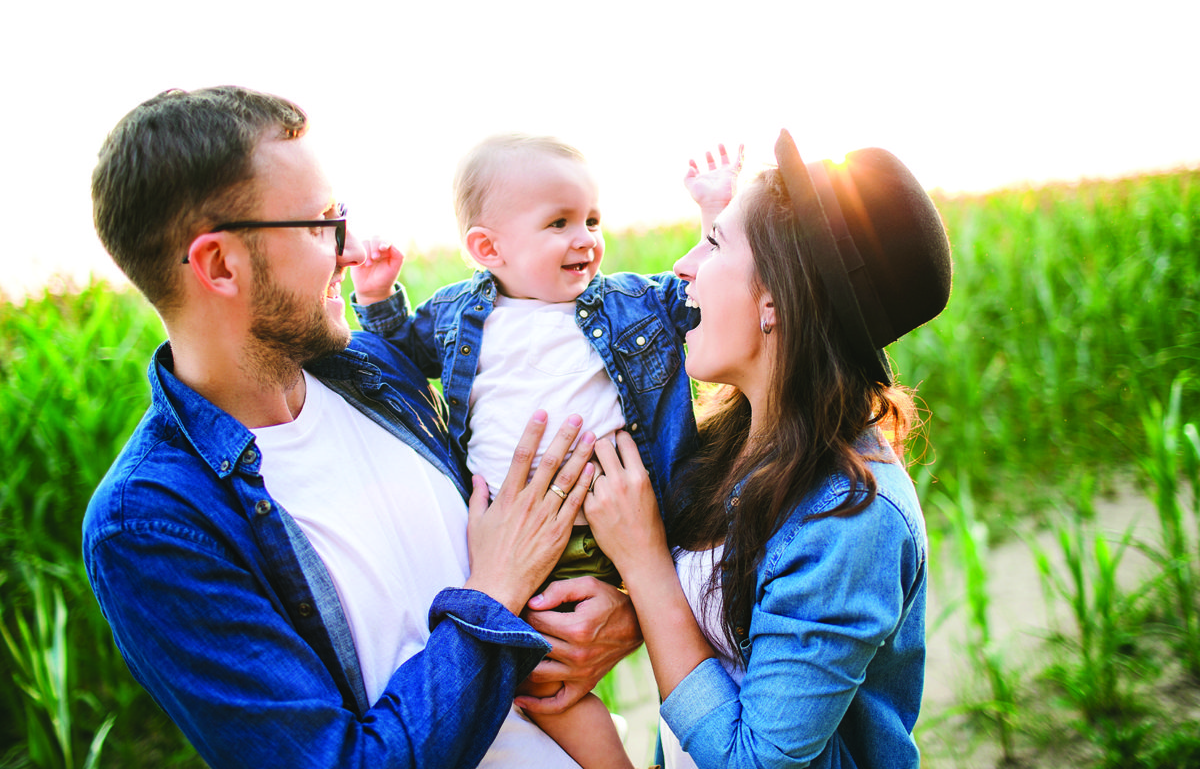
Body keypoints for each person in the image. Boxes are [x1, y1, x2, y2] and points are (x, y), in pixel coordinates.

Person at [82, 86, 641, 769]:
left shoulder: (375, 373)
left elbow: (546, 563)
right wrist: (492, 595)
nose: (346, 251)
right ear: (219, 264)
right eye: (320, 225)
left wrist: (621, 611)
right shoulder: (152, 525)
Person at [584, 131, 953, 768]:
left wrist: (644, 570)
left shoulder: (851, 521)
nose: (681, 266)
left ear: (775, 301)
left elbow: (752, 760)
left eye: (712, 243)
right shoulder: (740, 440)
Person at [349, 133, 716, 768]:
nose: (586, 238)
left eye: (591, 219)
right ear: (488, 248)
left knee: (552, 679)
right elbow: (402, 359)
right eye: (559, 223)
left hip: (601, 526)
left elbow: (695, 297)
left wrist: (715, 216)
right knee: (537, 687)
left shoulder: (621, 304)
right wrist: (379, 298)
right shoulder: (464, 315)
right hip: (507, 537)